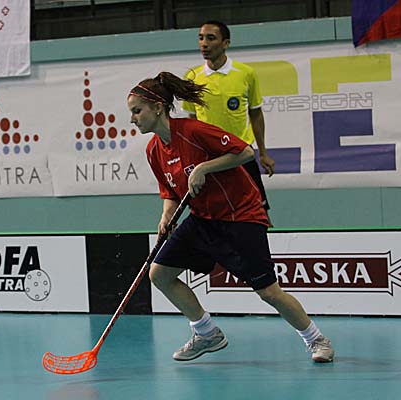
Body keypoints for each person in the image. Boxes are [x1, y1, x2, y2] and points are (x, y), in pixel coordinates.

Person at [127, 71, 334, 363]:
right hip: (203, 219)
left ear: (158, 108)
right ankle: (206, 333)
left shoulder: (193, 131)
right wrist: (166, 217)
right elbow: (170, 192)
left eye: (137, 111)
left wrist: (204, 168)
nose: (133, 119)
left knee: (268, 292)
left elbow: (245, 152)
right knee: (159, 274)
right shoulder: (153, 151)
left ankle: (317, 340)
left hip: (240, 217)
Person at [182, 20, 275, 226]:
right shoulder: (192, 78)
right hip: (209, 159)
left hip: (240, 154)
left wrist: (263, 153)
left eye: (211, 38)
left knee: (260, 214)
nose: (204, 44)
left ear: (226, 43)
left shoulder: (245, 74)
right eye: (201, 38)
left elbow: (256, 114)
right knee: (210, 214)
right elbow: (191, 122)